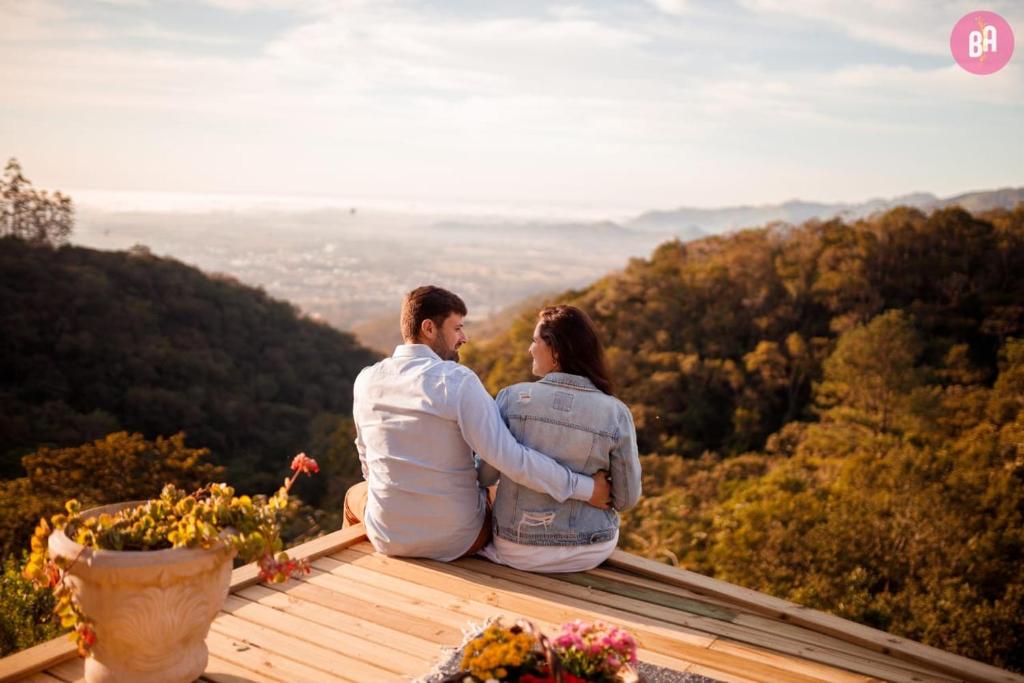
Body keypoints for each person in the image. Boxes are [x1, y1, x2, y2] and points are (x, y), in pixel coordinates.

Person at [344, 286, 611, 562]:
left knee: (355, 496)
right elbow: (511, 458)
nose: (464, 337)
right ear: (428, 328)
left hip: (388, 536)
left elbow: (368, 461)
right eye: (457, 328)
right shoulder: (457, 381)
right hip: (457, 539)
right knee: (496, 492)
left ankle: (353, 579)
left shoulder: (366, 380)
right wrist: (587, 489)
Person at [478, 305, 641, 572]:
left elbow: (485, 476)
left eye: (534, 341)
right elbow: (626, 500)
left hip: (519, 547)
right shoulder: (616, 413)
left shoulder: (511, 399)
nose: (530, 349)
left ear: (555, 349)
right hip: (590, 549)